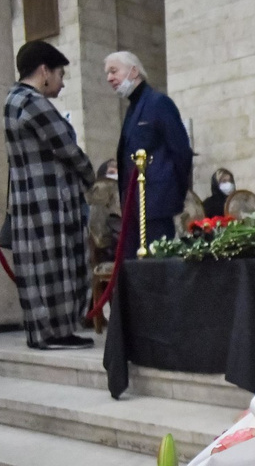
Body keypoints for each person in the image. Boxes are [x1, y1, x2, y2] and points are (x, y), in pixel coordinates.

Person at [4, 40, 96, 349]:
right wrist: (90, 175)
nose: (62, 82)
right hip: (49, 201)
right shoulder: (33, 102)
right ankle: (57, 331)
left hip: (28, 198)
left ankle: (42, 331)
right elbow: (67, 149)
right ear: (44, 71)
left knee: (36, 264)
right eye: (60, 74)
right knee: (56, 262)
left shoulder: (12, 100)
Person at [106, 51, 193, 257]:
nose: (109, 78)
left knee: (156, 266)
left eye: (114, 71)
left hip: (156, 205)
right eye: (107, 73)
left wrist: (172, 193)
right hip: (133, 207)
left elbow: (181, 151)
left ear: (134, 71)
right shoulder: (132, 108)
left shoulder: (158, 103)